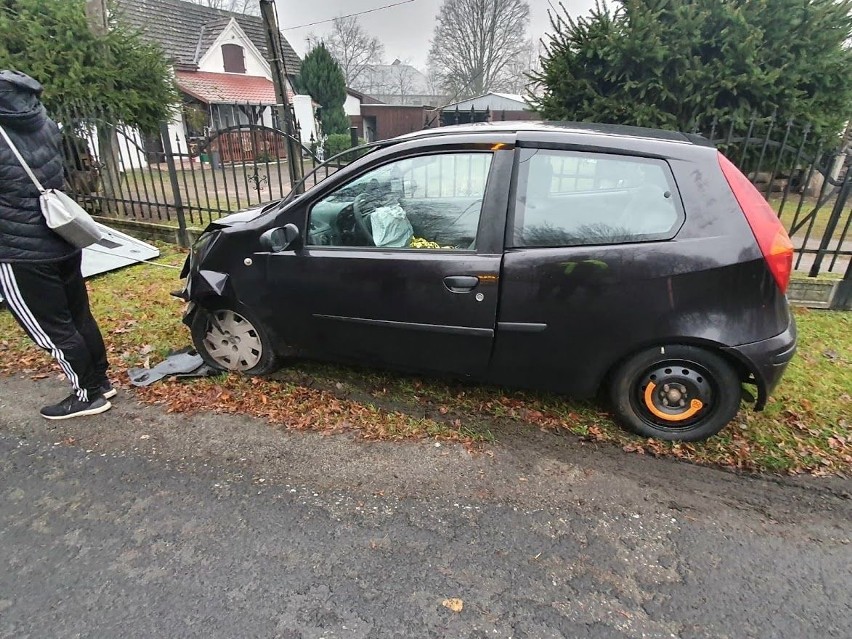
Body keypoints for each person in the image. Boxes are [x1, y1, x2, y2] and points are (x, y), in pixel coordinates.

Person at [0, 70, 114, 419]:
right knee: (78, 315)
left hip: (19, 250)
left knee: (51, 327)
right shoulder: (42, 121)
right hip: (61, 235)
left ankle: (87, 394)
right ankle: (100, 380)